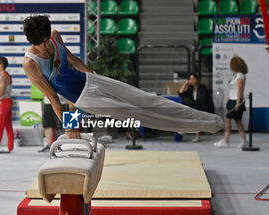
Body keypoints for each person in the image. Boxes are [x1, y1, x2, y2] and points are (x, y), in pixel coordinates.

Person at [22, 15, 223, 139]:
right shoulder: (31, 64)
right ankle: (204, 126)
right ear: (31, 42)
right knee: (138, 114)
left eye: (47, 40)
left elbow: (74, 60)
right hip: (85, 98)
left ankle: (210, 119)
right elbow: (54, 98)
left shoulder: (55, 36)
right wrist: (70, 126)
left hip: (92, 81)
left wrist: (94, 75)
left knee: (147, 99)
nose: (46, 45)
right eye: (40, 43)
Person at [214, 55, 248, 148]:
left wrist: (237, 103)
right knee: (236, 121)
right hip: (231, 100)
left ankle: (227, 140)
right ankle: (241, 140)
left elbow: (240, 90)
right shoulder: (236, 75)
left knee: (230, 120)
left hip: (235, 101)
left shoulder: (240, 75)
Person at [178, 73, 215, 142]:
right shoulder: (190, 89)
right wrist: (185, 83)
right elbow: (181, 93)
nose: (191, 80)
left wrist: (193, 108)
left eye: (193, 79)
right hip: (197, 108)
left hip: (206, 108)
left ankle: (192, 133)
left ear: (197, 80)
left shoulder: (203, 88)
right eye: (190, 79)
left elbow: (203, 101)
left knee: (195, 114)